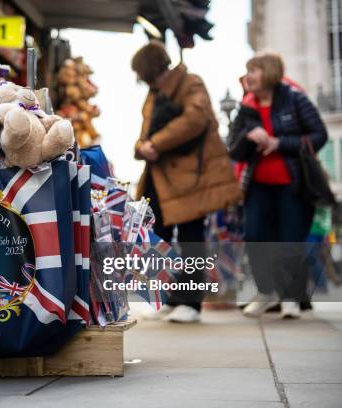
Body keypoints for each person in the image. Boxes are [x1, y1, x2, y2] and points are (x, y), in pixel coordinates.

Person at [132, 41, 241, 323]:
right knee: (157, 238)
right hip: (160, 176)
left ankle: (191, 303)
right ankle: (169, 297)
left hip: (190, 175)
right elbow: (146, 131)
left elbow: (196, 118)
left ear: (147, 69)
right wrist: (141, 146)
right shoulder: (155, 93)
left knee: (192, 236)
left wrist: (154, 142)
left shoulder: (190, 82)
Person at [228, 52, 328, 319]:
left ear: (270, 73)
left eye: (255, 70)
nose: (249, 76)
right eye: (248, 70)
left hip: (294, 184)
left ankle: (291, 297)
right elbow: (234, 151)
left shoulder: (294, 100)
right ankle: (265, 291)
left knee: (290, 240)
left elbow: (319, 135)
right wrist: (249, 136)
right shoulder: (246, 108)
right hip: (258, 185)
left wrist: (280, 143)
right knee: (255, 236)